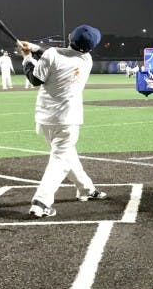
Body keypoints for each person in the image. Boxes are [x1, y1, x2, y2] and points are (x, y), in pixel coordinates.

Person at [19, 24, 107, 219]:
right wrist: (33, 49)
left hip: (45, 118)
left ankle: (86, 189)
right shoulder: (87, 59)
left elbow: (35, 80)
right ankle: (41, 202)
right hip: (68, 119)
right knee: (60, 159)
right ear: (90, 47)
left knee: (66, 155)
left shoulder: (51, 54)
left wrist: (27, 57)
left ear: (70, 37)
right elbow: (59, 56)